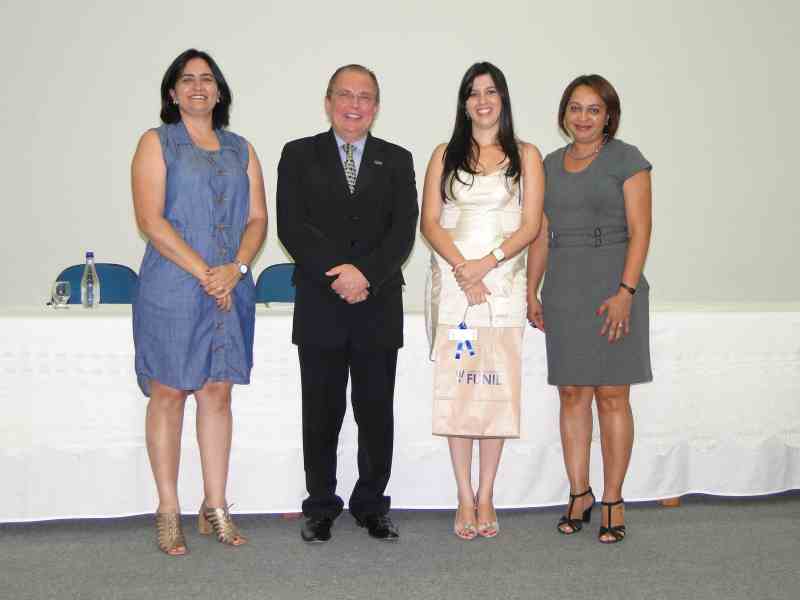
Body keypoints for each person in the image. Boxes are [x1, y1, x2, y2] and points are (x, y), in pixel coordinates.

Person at [131, 49, 267, 555]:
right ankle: (168, 509)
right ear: (172, 92)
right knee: (169, 392)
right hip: (173, 285)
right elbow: (151, 220)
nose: (197, 87)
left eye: (207, 79)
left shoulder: (241, 149)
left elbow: (257, 219)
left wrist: (237, 268)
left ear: (219, 91)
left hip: (230, 285)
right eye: (186, 80)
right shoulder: (156, 142)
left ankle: (215, 506)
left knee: (217, 393)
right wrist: (206, 272)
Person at [276, 64, 418, 543]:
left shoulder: (396, 159)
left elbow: (403, 231)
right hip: (321, 303)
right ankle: (320, 506)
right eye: (345, 95)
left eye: (365, 97)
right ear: (328, 101)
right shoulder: (298, 154)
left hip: (378, 304)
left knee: (375, 413)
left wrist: (365, 275)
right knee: (321, 413)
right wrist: (338, 275)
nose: (354, 105)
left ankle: (371, 504)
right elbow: (292, 226)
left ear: (376, 107)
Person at [527, 74, 653, 544]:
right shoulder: (548, 164)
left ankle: (614, 498)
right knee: (572, 393)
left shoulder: (627, 159)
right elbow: (541, 233)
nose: (583, 117)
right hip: (565, 288)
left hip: (614, 287)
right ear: (564, 113)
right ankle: (579, 493)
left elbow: (641, 230)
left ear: (608, 116)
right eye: (575, 108)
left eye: (594, 109)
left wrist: (626, 292)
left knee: (613, 395)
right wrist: (532, 291)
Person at [420, 62, 544, 540]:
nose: (482, 101)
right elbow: (430, 223)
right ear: (464, 103)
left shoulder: (526, 155)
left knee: (494, 388)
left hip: (502, 289)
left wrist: (486, 265)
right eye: (473, 93)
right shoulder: (444, 154)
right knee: (460, 390)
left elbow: (530, 226)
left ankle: (487, 493)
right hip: (457, 292)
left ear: (503, 99)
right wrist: (463, 269)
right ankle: (463, 495)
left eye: (491, 92)